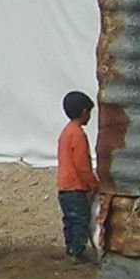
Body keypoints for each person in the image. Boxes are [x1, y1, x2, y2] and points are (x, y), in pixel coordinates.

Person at [56, 90, 98, 263]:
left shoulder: (66, 132)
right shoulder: (78, 134)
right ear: (84, 112)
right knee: (81, 220)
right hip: (76, 187)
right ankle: (78, 251)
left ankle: (71, 248)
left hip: (64, 186)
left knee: (70, 220)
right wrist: (93, 184)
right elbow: (82, 164)